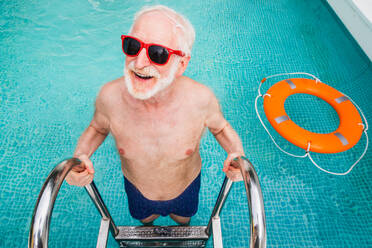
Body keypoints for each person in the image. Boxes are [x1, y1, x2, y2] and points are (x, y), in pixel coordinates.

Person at [65, 5, 245, 226]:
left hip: (185, 188)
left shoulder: (200, 100)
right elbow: (97, 128)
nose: (139, 63)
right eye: (132, 46)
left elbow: (220, 128)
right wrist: (79, 158)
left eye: (157, 54)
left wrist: (237, 156)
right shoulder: (110, 98)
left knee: (183, 221)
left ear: (182, 63)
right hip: (137, 190)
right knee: (145, 221)